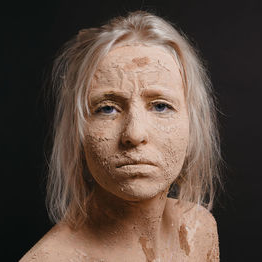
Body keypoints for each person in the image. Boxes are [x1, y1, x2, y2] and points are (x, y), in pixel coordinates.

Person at [20, 10, 222, 262]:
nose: (134, 134)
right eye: (107, 109)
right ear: (78, 131)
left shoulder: (197, 230)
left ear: (193, 123)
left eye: (160, 106)